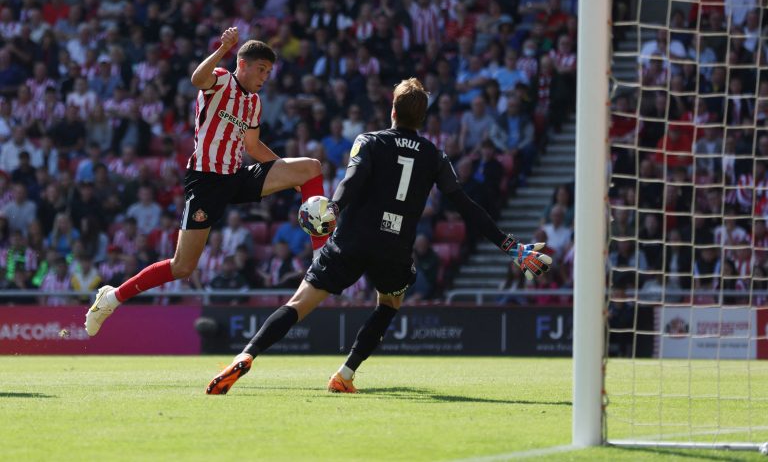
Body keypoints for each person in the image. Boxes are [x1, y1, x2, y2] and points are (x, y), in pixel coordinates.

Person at [206, 77, 551, 395]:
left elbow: (352, 181)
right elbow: (465, 205)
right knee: (389, 305)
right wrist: (511, 246)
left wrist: (334, 209)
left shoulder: (369, 141)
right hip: (395, 249)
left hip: (352, 240)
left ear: (393, 110)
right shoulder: (435, 155)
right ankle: (345, 374)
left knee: (298, 304)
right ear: (422, 117)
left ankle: (247, 356)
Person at [84, 28, 330, 336]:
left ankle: (322, 254)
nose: (265, 76)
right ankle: (111, 297)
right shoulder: (221, 78)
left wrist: (288, 176)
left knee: (309, 167)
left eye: (269, 71)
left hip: (236, 177)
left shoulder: (253, 102)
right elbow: (196, 80)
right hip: (205, 181)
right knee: (182, 267)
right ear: (242, 63)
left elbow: (252, 147)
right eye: (261, 69)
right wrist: (222, 48)